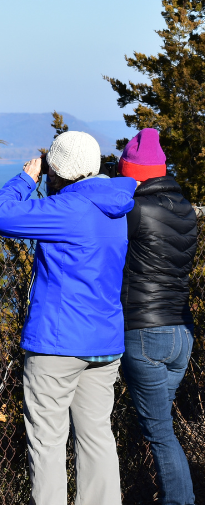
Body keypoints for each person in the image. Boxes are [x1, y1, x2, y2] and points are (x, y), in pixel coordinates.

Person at [0, 131, 138, 505]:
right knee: (97, 437)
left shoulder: (68, 210)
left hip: (58, 342)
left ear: (58, 170)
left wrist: (25, 179)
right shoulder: (115, 207)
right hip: (103, 343)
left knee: (47, 441)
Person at [117, 128, 198, 505]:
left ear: (131, 173)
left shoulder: (133, 210)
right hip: (181, 334)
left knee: (159, 432)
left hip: (144, 332)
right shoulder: (185, 209)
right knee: (160, 425)